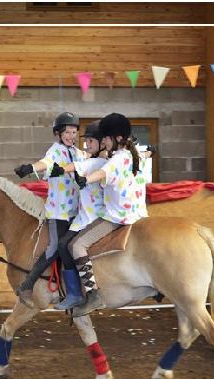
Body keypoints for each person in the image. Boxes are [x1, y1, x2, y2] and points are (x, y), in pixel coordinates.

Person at [68, 113, 148, 317]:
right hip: (139, 214)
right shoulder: (134, 154)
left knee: (76, 245)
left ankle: (93, 295)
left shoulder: (119, 159)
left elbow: (103, 172)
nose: (103, 141)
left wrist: (86, 180)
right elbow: (147, 154)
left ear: (118, 139)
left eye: (106, 138)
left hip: (117, 217)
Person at [12, 112, 86, 307]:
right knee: (55, 247)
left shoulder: (78, 153)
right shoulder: (55, 151)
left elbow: (90, 160)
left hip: (77, 212)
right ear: (58, 134)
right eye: (67, 132)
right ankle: (28, 284)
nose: (71, 135)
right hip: (58, 213)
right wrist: (31, 168)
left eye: (74, 131)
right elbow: (45, 163)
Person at [51, 120, 107, 310]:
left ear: (101, 143)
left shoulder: (96, 162)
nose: (86, 145)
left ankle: (81, 292)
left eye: (90, 142)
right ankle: (75, 290)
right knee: (62, 244)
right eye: (87, 141)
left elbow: (75, 166)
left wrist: (60, 169)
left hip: (93, 215)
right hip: (84, 213)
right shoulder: (93, 159)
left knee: (67, 245)